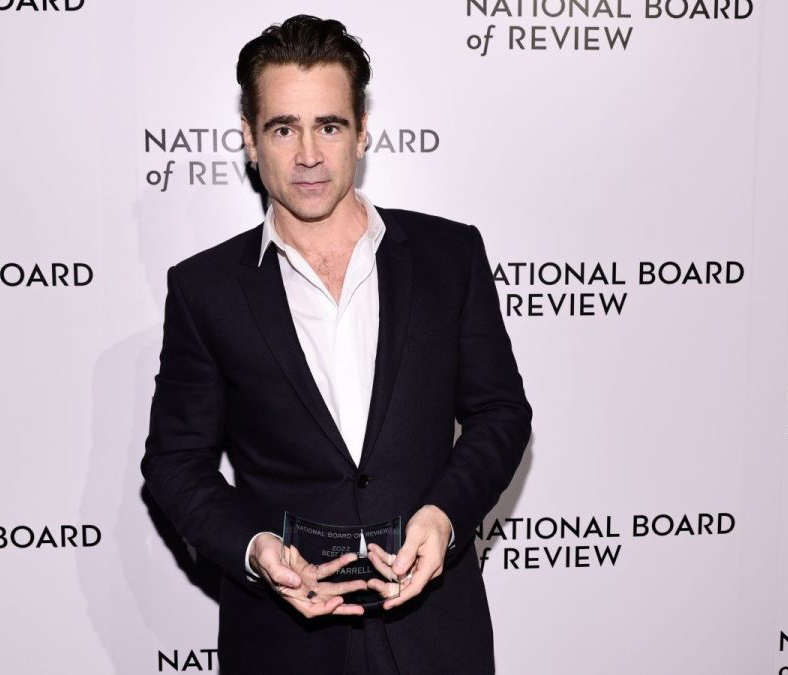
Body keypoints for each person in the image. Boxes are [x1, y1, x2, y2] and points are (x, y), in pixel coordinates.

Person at [141, 14, 531, 675]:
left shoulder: (448, 256)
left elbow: (501, 413)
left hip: (436, 633)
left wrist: (444, 514)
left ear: (361, 132)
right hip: (284, 640)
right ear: (249, 140)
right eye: (283, 128)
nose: (309, 153)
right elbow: (176, 464)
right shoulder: (206, 289)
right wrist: (256, 547)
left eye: (329, 125)